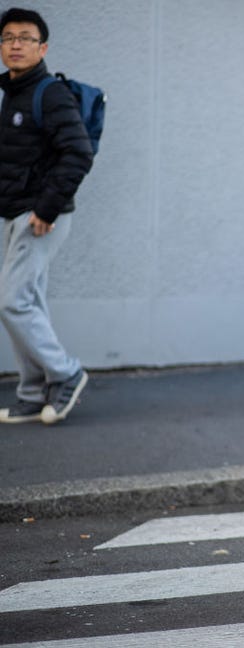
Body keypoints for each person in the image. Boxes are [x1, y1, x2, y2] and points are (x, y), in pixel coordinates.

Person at [0, 8, 92, 425]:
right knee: (28, 301)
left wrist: (47, 207)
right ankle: (34, 393)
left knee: (12, 301)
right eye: (7, 38)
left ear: (43, 47)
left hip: (40, 216)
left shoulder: (49, 93)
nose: (15, 45)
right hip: (17, 213)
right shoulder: (15, 93)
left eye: (25, 37)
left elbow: (78, 153)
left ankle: (67, 372)